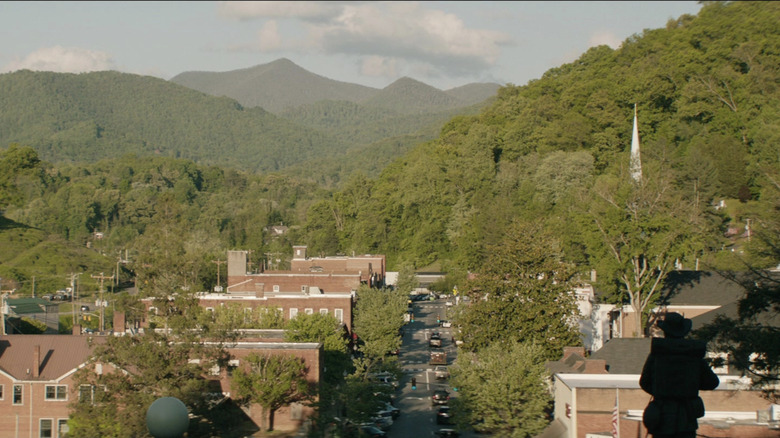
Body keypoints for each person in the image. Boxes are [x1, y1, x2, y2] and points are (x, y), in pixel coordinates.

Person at [640, 312, 720, 438]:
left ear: (665, 331)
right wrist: (691, 386)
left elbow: (644, 382)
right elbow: (712, 382)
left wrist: (660, 391)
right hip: (687, 419)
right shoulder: (693, 354)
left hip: (661, 419)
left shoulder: (657, 355)